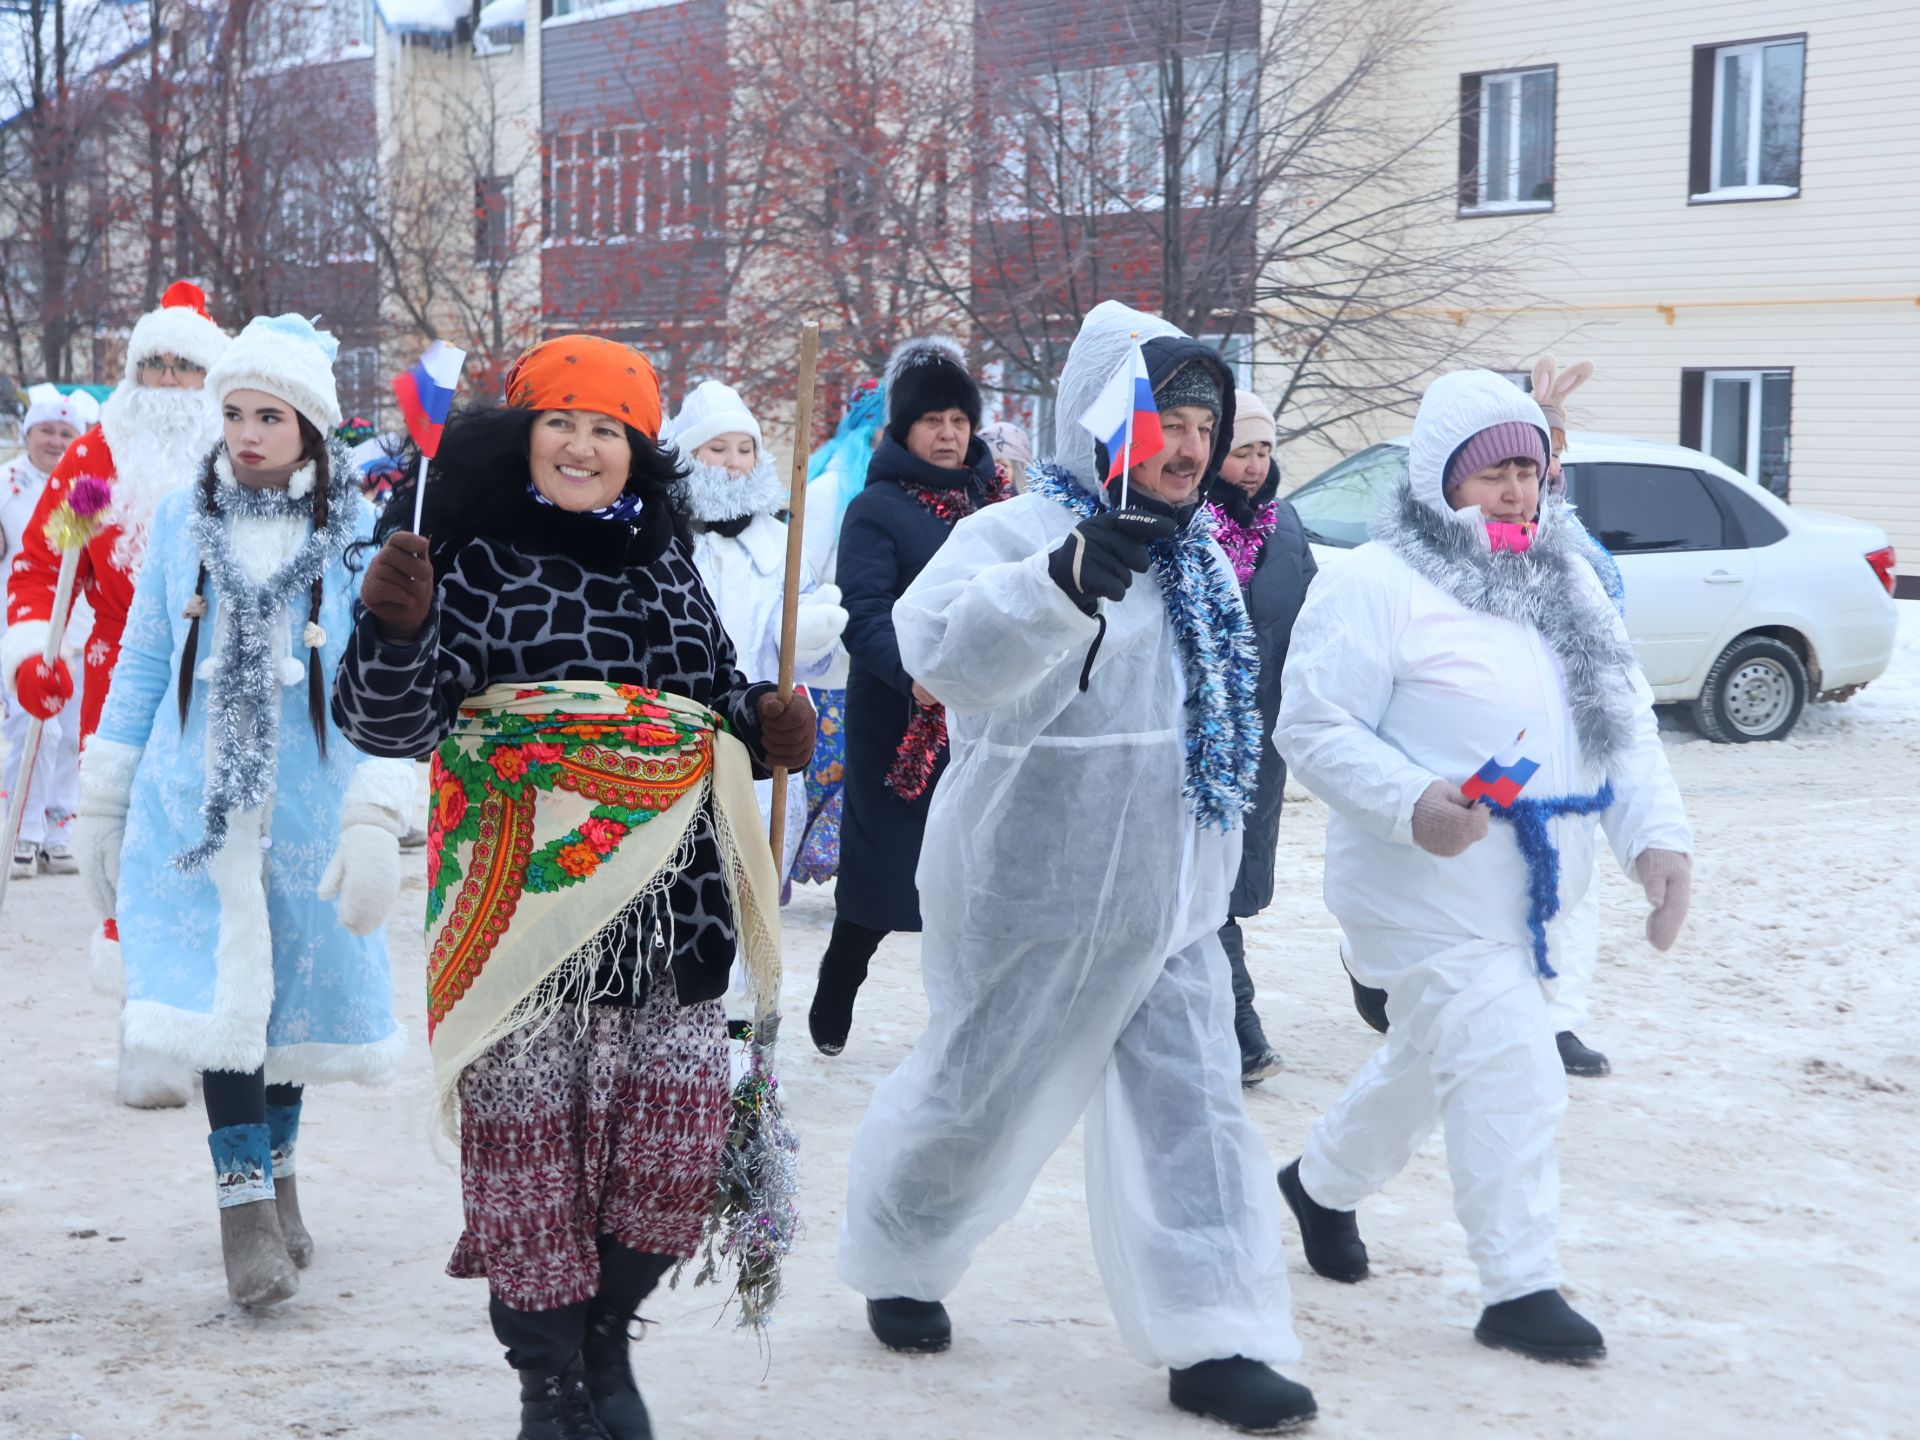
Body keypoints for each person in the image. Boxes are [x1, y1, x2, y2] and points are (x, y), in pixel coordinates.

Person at [837, 301, 1314, 1433]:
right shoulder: (1010, 534)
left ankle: (1216, 1336)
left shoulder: (1200, 562)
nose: (1191, 446)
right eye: (1166, 419)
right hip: (1028, 890)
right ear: (1103, 424)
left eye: (1206, 423)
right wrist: (1059, 582)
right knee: (978, 1096)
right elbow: (935, 654)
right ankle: (902, 1249)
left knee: (1195, 1108)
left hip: (1173, 903)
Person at [332, 333, 816, 1440]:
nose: (584, 445)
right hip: (529, 922)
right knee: (531, 1163)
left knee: (674, 1152)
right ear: (525, 435)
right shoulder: (473, 561)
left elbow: (707, 704)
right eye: (563, 421)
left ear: (638, 452)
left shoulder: (664, 562)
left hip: (673, 916)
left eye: (609, 428)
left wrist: (764, 724)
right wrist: (394, 630)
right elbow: (389, 721)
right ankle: (547, 1382)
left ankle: (608, 1337)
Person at [1274, 369, 1692, 1365]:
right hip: (1417, 887)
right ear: (1442, 477)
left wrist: (1656, 839)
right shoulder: (1377, 584)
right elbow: (1313, 725)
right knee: (1512, 1065)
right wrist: (1410, 799)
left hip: (1537, 890)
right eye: (1496, 472)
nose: (1518, 492)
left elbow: (1623, 723)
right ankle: (1520, 1286)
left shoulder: (1569, 578)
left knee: (1431, 1064)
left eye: (1530, 472)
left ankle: (1318, 1183)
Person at [74, 314, 411, 1310]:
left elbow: (377, 676)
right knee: (226, 1013)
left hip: (304, 804)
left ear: (310, 423)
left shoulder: (351, 532)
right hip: (198, 806)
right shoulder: (181, 517)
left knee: (288, 1009)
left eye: (270, 414)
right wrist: (106, 791)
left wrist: (375, 804)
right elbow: (142, 656)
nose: (248, 432)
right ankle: (243, 1210)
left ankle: (283, 1175)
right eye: (233, 413)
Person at [5, 280, 230, 1109]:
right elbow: (43, 566)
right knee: (129, 850)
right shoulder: (98, 459)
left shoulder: (238, 447)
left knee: (221, 852)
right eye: (155, 365)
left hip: (223, 682)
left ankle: (220, 1026)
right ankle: (146, 1030)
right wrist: (37, 651)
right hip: (117, 682)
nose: (169, 382)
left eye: (184, 367)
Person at [805, 337, 1002, 1056]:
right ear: (903, 430)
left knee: (974, 875)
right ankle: (841, 975)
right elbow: (865, 611)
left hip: (982, 717)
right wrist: (914, 677)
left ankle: (966, 1021)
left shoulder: (995, 501)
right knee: (885, 871)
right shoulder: (877, 508)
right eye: (933, 421)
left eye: (959, 419)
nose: (949, 434)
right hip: (901, 717)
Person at [667, 378, 848, 885]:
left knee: (751, 895)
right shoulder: (666, 541)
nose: (733, 460)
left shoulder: (780, 547)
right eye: (717, 448)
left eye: (745, 448)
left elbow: (813, 664)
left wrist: (812, 637)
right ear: (688, 454)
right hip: (676, 745)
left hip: (762, 750)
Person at [1203, 389, 1316, 1086]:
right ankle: (1241, 1026)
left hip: (1263, 733)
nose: (1253, 466)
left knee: (1236, 881)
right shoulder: (1187, 524)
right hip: (1199, 732)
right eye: (1241, 451)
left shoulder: (1288, 527)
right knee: (1204, 883)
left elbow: (1313, 620)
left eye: (1263, 451)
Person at [790, 378, 886, 889]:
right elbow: (801, 569)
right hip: (833, 660)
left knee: (865, 768)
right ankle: (786, 858)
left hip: (881, 657)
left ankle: (847, 863)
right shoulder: (831, 487)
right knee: (820, 770)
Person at [2, 383, 99, 877]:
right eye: (46, 431)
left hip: (79, 625)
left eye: (66, 432)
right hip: (23, 623)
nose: (56, 441)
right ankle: (20, 830)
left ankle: (59, 828)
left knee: (69, 732)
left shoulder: (88, 483)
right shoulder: (5, 484)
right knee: (29, 725)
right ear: (28, 433)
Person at [977, 419, 1033, 494]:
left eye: (1003, 466)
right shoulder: (969, 502)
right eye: (990, 465)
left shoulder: (1027, 504)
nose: (997, 471)